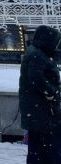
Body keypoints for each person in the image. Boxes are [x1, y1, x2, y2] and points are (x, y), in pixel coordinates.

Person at [19, 25, 61, 163]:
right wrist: (50, 93)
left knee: (38, 147)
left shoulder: (36, 53)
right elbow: (36, 78)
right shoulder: (37, 55)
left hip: (38, 111)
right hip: (42, 111)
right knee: (48, 146)